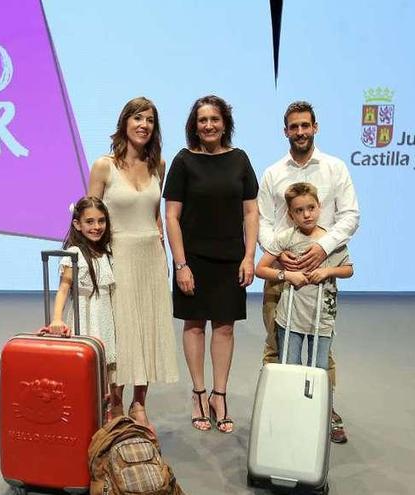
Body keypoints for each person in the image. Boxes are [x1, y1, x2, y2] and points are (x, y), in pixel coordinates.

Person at [258, 100, 360, 443]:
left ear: (315, 127)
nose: (300, 132)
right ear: (285, 131)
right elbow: (264, 221)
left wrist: (322, 248)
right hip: (282, 271)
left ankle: (323, 410)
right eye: (293, 126)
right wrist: (281, 256)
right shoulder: (273, 173)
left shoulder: (335, 168)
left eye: (305, 125)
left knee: (321, 349)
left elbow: (350, 216)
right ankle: (278, 411)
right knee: (277, 345)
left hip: (321, 273)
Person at [164, 95, 259, 434]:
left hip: (231, 258)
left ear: (224, 123)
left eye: (215, 119)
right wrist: (181, 265)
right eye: (202, 120)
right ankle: (199, 395)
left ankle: (220, 395)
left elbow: (251, 211)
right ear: (194, 125)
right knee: (193, 325)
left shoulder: (240, 160)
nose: (209, 125)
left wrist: (249, 256)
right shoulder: (183, 161)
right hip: (192, 260)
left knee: (225, 327)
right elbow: (171, 217)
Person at [87, 97, 179, 432]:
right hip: (118, 256)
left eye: (150, 120)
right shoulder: (104, 166)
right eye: (138, 118)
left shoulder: (159, 165)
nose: (144, 125)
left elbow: (155, 217)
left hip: (151, 258)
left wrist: (165, 253)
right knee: (122, 332)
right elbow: (90, 215)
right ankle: (114, 404)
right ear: (124, 122)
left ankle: (140, 404)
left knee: (147, 328)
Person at [255, 182, 353, 372]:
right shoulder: (286, 238)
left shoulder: (330, 240)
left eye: (311, 208)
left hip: (322, 318)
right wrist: (288, 275)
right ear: (291, 215)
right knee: (289, 365)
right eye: (299, 211)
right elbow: (261, 268)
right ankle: (290, 401)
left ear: (320, 207)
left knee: (320, 367)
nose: (306, 215)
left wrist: (327, 271)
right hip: (291, 317)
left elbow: (348, 269)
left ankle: (320, 402)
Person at [48, 197, 117, 387]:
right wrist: (56, 318)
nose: (96, 226)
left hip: (104, 315)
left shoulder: (106, 252)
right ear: (77, 225)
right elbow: (63, 289)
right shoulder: (75, 253)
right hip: (85, 314)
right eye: (90, 221)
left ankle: (104, 409)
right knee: (86, 363)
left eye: (101, 221)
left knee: (106, 365)